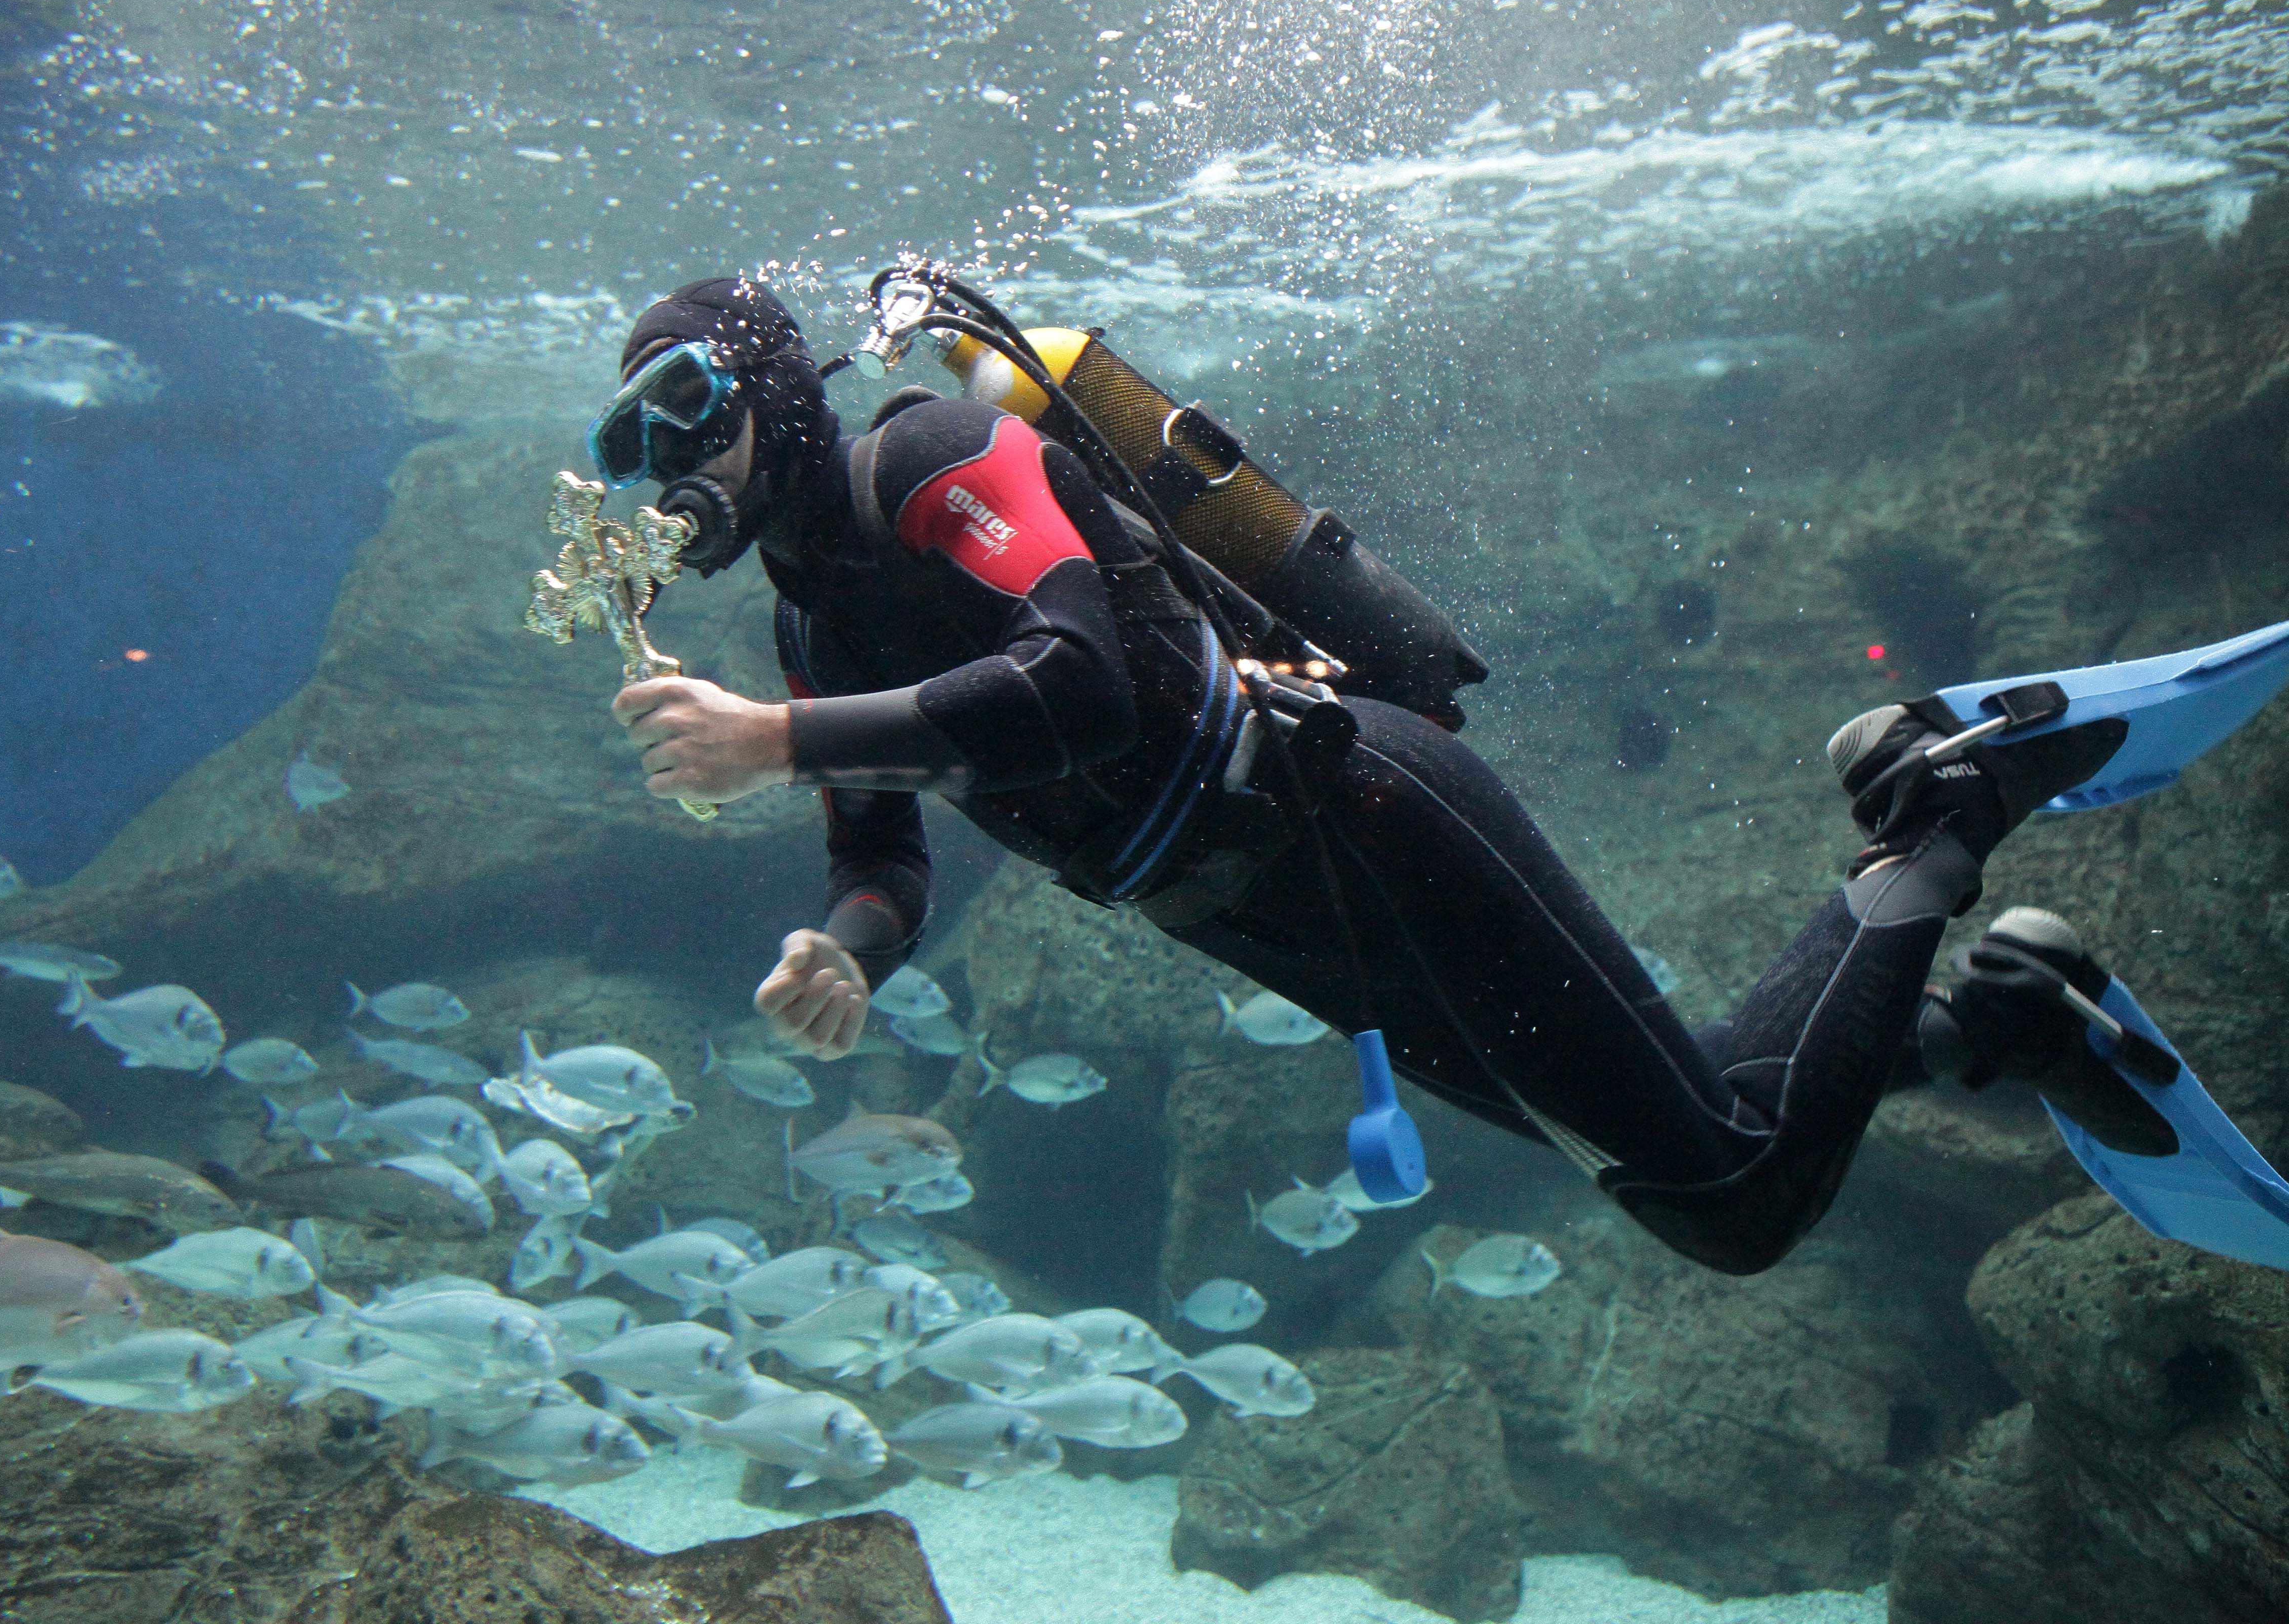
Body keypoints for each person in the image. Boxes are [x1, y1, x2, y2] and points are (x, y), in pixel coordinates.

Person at [592, 273, 2138, 1275]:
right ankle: (1995, 1019)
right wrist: (844, 950)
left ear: (774, 391)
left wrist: (776, 738)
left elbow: (1088, 684)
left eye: (691, 409)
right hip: (1256, 916)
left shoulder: (927, 455)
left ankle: (1939, 804)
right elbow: (888, 856)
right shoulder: (807, 626)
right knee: (1683, 1121)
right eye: (631, 442)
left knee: (1728, 1199)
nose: (670, 466)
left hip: (1354, 803)